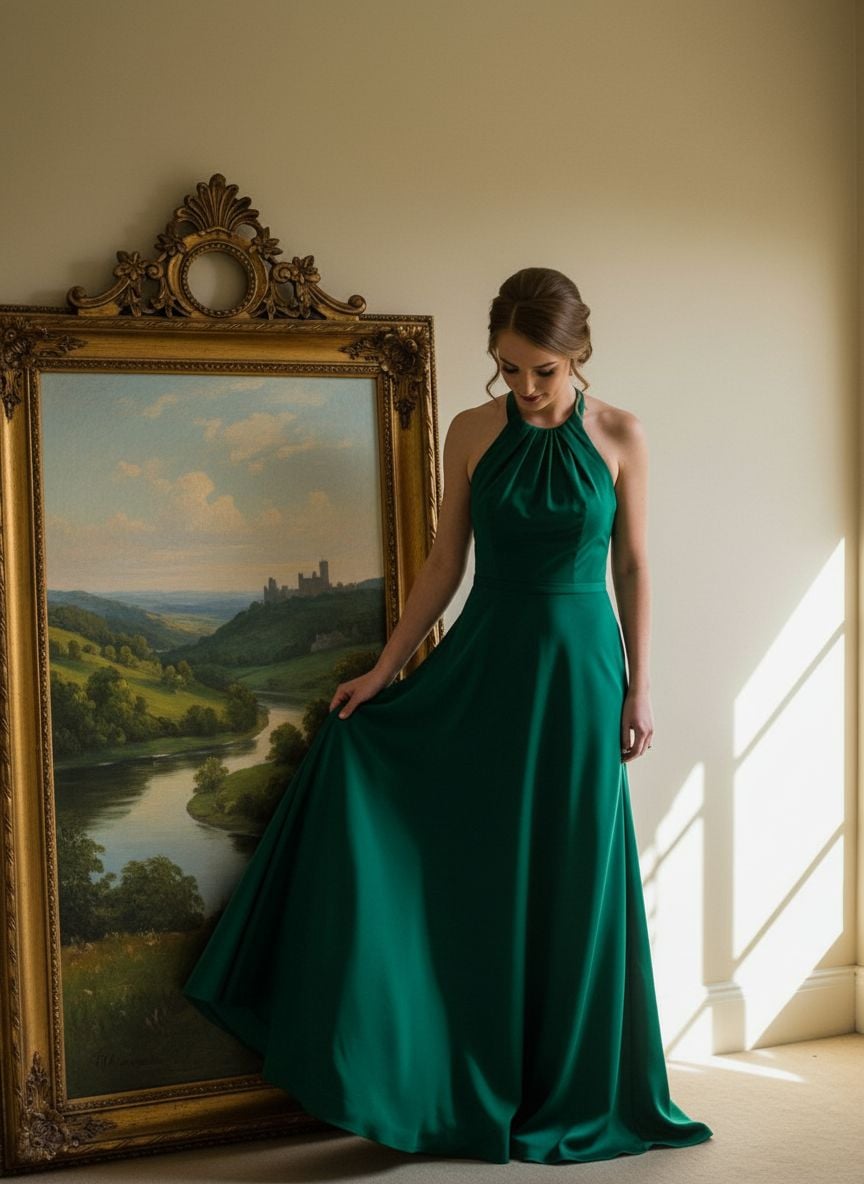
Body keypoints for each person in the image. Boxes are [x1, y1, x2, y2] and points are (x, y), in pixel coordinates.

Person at [183, 267, 714, 1165]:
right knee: (462, 853)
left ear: (577, 353)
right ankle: (439, 1072)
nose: (527, 387)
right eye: (509, 369)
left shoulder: (622, 434)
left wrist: (642, 684)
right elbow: (443, 565)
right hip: (487, 664)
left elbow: (634, 567)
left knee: (573, 872)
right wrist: (385, 671)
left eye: (542, 370)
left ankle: (572, 1086)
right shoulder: (471, 431)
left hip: (583, 673)